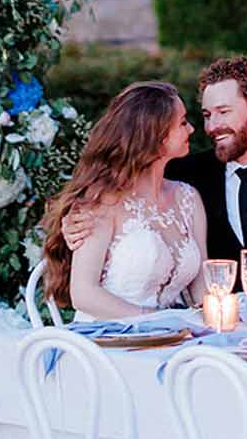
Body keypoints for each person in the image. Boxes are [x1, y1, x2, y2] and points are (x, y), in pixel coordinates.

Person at [61, 56, 247, 296]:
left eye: (223, 112)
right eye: (207, 114)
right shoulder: (183, 175)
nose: (212, 126)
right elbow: (120, 200)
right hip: (220, 338)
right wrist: (71, 224)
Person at [41, 81, 207, 317]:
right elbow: (83, 294)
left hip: (171, 340)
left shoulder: (188, 198)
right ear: (155, 135)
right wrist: (154, 322)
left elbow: (202, 289)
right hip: (108, 340)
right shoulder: (102, 200)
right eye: (182, 123)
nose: (191, 129)